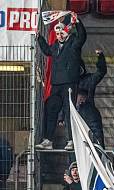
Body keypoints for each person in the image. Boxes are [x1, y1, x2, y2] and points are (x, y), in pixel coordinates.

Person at [36, 12, 86, 151]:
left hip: (69, 83)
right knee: (52, 109)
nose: (59, 35)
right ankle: (48, 140)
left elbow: (82, 36)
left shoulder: (74, 42)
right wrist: (39, 38)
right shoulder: (55, 46)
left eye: (61, 31)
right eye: (57, 32)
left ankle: (70, 140)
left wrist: (78, 23)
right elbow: (47, 51)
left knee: (69, 111)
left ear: (67, 31)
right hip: (56, 84)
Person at [76, 49, 107, 147]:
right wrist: (61, 117)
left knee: (96, 141)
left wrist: (100, 57)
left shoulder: (89, 79)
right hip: (73, 115)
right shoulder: (68, 82)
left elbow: (101, 72)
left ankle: (99, 158)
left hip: (87, 114)